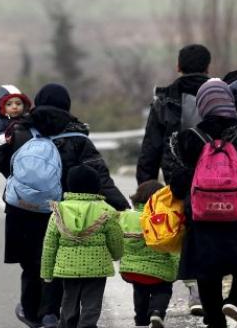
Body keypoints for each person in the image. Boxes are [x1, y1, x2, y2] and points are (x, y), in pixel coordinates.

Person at [0, 83, 129, 328]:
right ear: (67, 105)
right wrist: (123, 207)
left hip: (21, 210)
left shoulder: (20, 130)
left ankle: (32, 313)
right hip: (61, 211)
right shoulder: (77, 136)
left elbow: (6, 167)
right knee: (57, 262)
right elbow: (99, 177)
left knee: (31, 265)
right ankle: (51, 314)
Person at [169, 79, 237, 328]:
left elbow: (178, 185)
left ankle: (214, 319)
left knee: (207, 271)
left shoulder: (190, 138)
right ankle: (236, 301)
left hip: (203, 219)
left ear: (203, 105)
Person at [136, 43, 211, 315]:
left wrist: (146, 188)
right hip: (216, 176)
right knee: (210, 230)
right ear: (207, 67)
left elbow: (150, 148)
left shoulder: (165, 100)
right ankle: (205, 289)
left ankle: (194, 289)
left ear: (178, 66)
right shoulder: (220, 95)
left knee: (183, 227)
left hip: (176, 176)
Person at [40, 165, 124, 328]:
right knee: (92, 302)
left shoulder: (59, 211)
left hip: (68, 267)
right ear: (96, 186)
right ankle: (87, 325)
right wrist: (117, 255)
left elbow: (50, 245)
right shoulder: (106, 210)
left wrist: (47, 273)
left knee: (69, 299)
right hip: (96, 268)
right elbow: (116, 239)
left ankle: (67, 324)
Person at [119, 180, 179, 328]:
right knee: (163, 289)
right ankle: (157, 312)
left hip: (133, 271)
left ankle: (141, 319)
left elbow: (118, 240)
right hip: (160, 272)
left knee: (140, 290)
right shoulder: (165, 218)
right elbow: (173, 249)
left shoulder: (126, 217)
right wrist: (179, 268)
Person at [0, 85, 32, 165]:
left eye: (18, 103)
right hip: (8, 164)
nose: (14, 107)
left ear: (24, 105)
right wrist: (7, 137)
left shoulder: (28, 121)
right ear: (2, 108)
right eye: (9, 104)